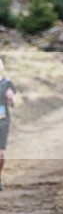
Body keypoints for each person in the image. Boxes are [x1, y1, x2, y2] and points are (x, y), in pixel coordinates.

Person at [0, 58, 17, 191]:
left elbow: (13, 104)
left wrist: (11, 99)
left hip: (3, 120)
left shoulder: (8, 83)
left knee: (1, 153)